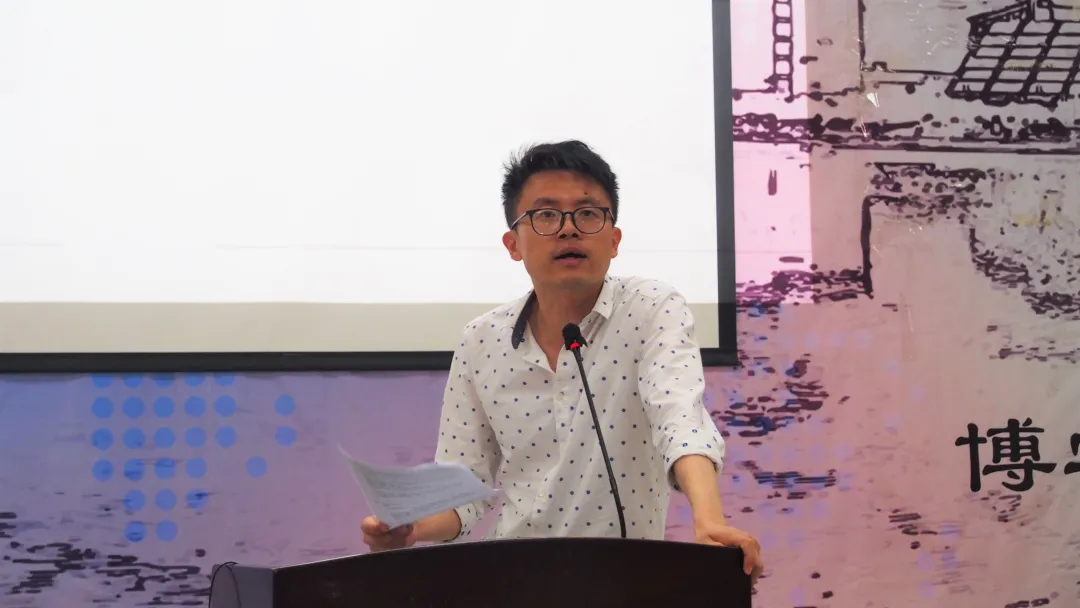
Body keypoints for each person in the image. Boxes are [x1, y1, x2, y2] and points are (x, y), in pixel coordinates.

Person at [362, 140, 764, 583]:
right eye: (546, 215)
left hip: (623, 583)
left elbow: (680, 420)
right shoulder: (481, 340)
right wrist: (411, 528)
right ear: (513, 244)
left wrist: (709, 521)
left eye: (588, 214)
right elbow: (464, 489)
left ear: (614, 240)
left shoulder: (651, 309)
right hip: (509, 581)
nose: (568, 229)